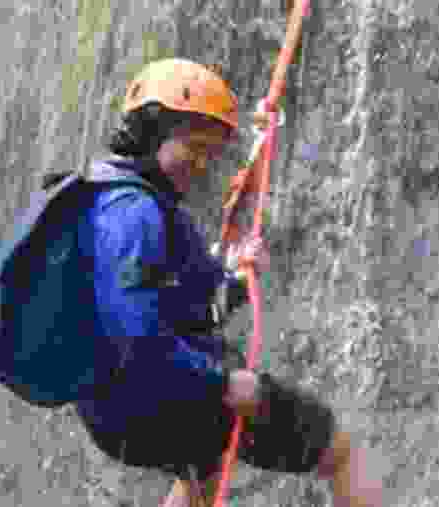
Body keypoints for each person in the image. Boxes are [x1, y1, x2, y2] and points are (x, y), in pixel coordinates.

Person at [72, 58, 384, 507]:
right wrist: (222, 384)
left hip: (114, 408)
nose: (200, 164)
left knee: (204, 465)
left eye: (209, 153)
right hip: (158, 398)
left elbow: (182, 306)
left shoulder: (109, 196)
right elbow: (135, 332)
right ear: (154, 129)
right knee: (339, 450)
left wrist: (235, 282)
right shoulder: (135, 213)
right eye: (193, 147)